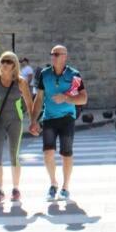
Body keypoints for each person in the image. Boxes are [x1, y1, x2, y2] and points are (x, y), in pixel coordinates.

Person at [29, 44, 87, 202]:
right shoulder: (44, 74)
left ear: (64, 56)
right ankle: (53, 183)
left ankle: (65, 187)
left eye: (56, 54)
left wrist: (66, 98)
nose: (52, 56)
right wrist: (33, 120)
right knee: (48, 152)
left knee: (66, 154)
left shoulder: (74, 74)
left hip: (67, 117)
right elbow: (39, 98)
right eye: (51, 54)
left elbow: (83, 98)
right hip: (49, 118)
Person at [0, 51, 34, 205]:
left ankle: (16, 189)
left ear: (14, 65)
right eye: (3, 61)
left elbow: (29, 103)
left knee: (14, 156)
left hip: (15, 121)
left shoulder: (21, 82)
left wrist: (33, 121)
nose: (5, 64)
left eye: (9, 62)